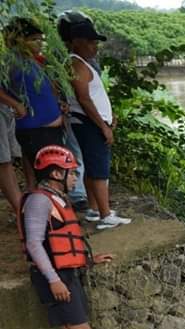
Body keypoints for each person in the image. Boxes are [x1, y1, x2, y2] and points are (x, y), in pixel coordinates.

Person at [15, 145, 115, 329]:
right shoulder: (39, 201)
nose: (75, 178)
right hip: (55, 276)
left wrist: (89, 260)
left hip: (67, 272)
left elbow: (61, 240)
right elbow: (36, 245)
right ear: (57, 173)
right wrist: (53, 280)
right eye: (72, 173)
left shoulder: (58, 198)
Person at [64, 14, 129, 229]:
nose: (95, 47)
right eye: (91, 42)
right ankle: (105, 214)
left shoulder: (82, 63)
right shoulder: (77, 65)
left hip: (89, 122)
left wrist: (109, 116)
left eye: (95, 42)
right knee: (99, 169)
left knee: (93, 168)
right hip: (89, 124)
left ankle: (94, 209)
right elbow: (83, 98)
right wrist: (103, 125)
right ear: (77, 42)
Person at [3, 18, 64, 189]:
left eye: (41, 39)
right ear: (18, 39)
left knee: (46, 176)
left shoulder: (32, 61)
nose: (39, 43)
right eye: (34, 39)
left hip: (48, 127)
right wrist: (15, 104)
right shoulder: (10, 61)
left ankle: (41, 210)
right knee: (49, 178)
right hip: (36, 129)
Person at [0, 90, 22, 214]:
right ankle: (20, 210)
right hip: (7, 105)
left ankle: (21, 207)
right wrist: (15, 104)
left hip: (6, 107)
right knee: (4, 162)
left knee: (7, 162)